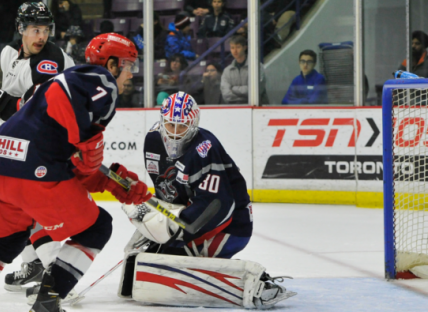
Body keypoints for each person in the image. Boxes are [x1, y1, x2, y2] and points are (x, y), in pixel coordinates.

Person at [0, 32, 152, 312]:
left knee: (4, 242)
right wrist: (98, 164)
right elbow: (84, 153)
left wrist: (113, 182)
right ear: (112, 64)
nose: (131, 74)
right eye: (129, 66)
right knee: (96, 228)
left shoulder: (60, 81)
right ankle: (48, 301)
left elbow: (73, 161)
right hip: (33, 170)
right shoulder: (100, 80)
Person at [117, 92, 296, 309]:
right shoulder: (153, 139)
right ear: (161, 120)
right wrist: (152, 214)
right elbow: (168, 191)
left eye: (181, 126)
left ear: (193, 125)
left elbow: (218, 206)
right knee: (145, 259)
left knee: (167, 267)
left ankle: (256, 283)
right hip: (191, 217)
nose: (174, 133)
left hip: (231, 225)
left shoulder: (204, 149)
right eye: (170, 124)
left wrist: (175, 229)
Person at [0, 1, 75, 296]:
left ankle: (59, 275)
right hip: (35, 138)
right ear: (21, 30)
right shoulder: (8, 54)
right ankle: (36, 263)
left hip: (64, 137)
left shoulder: (48, 62)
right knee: (20, 203)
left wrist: (3, 105)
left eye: (45, 30)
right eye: (34, 29)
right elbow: (13, 101)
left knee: (30, 201)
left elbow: (43, 110)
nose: (41, 36)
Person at [221, 35, 269, 104]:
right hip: (235, 110)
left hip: (257, 110)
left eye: (238, 47)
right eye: (232, 48)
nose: (235, 51)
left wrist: (233, 89)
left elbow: (256, 91)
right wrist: (245, 94)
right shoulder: (227, 71)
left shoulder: (256, 66)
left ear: (245, 47)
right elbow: (226, 94)